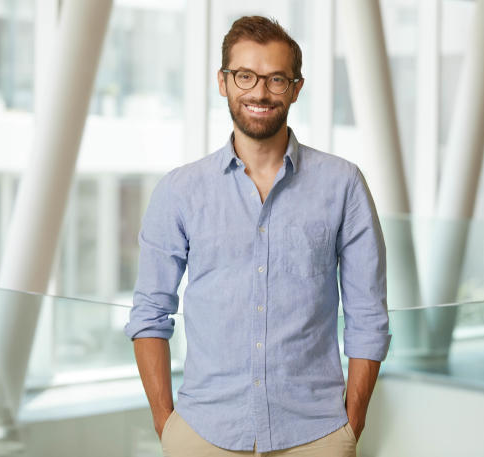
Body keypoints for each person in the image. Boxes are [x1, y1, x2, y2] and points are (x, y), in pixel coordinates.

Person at [125, 15, 391, 457]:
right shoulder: (180, 190)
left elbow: (368, 316)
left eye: (276, 79)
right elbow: (150, 312)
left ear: (296, 88)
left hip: (316, 434)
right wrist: (166, 424)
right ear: (223, 82)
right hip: (203, 431)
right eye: (245, 76)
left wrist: (352, 424)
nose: (260, 93)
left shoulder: (343, 184)